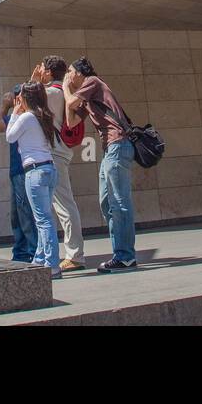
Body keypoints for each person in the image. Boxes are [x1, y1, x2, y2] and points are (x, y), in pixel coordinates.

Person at [64, 56, 137, 272]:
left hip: (118, 144)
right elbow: (71, 122)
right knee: (106, 203)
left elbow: (69, 102)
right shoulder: (86, 95)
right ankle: (121, 254)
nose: (68, 75)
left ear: (78, 73)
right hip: (110, 150)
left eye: (70, 71)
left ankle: (125, 256)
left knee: (119, 202)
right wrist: (70, 96)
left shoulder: (92, 82)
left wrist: (67, 89)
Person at [30, 55, 86, 272]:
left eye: (42, 68)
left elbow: (23, 102)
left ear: (49, 71)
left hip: (53, 154)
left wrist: (34, 80)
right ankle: (66, 253)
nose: (40, 71)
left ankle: (75, 255)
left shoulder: (51, 93)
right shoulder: (62, 92)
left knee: (63, 205)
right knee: (58, 205)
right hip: (60, 152)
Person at [6, 82, 62, 278]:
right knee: (44, 219)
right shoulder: (44, 116)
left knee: (43, 220)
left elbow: (10, 137)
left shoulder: (27, 117)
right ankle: (40, 258)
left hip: (35, 171)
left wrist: (15, 112)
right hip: (49, 168)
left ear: (25, 98)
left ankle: (52, 264)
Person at [0, 86, 36, 263]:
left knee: (25, 213)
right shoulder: (19, 117)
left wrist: (5, 105)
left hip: (24, 170)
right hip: (17, 171)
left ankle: (33, 251)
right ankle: (21, 251)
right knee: (17, 215)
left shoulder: (26, 118)